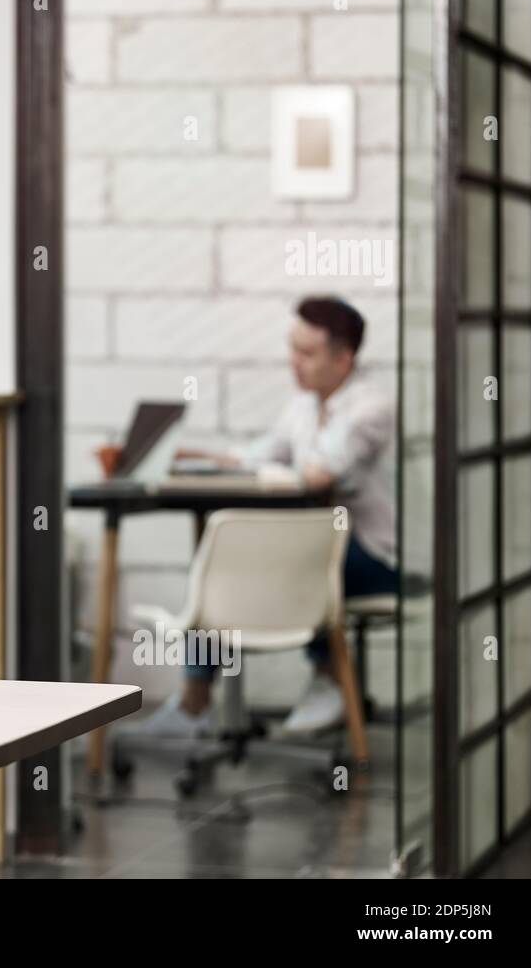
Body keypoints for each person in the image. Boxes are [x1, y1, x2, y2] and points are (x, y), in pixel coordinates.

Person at [142, 296, 396, 739]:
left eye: (306, 353)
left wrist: (282, 469)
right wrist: (197, 458)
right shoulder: (303, 404)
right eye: (291, 348)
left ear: (344, 359)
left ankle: (329, 679)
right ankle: (196, 700)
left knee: (291, 559)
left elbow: (320, 473)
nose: (293, 362)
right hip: (318, 548)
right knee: (223, 572)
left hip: (372, 556)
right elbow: (263, 453)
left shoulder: (371, 407)